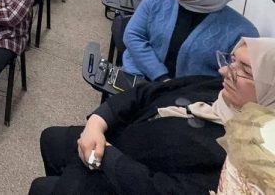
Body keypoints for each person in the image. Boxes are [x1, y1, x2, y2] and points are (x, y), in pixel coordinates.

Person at [29, 37, 275, 195]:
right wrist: (97, 122)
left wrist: (108, 157)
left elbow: (164, 190)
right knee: (50, 138)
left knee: (42, 188)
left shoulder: (248, 154)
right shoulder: (215, 87)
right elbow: (145, 92)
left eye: (244, 70)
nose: (224, 70)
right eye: (231, 61)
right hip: (115, 141)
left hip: (124, 176)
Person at [123, 0, 258, 81]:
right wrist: (160, 77)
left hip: (194, 94)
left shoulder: (241, 30)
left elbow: (235, 76)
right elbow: (133, 36)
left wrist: (180, 90)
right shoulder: (156, 0)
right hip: (139, 76)